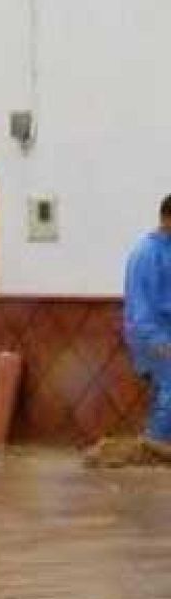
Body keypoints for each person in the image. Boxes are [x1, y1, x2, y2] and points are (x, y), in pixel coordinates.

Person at [124, 195, 171, 456]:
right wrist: (157, 341)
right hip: (152, 334)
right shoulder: (146, 254)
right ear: (167, 218)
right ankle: (156, 442)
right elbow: (140, 305)